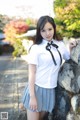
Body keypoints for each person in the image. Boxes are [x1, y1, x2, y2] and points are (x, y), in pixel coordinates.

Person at [20, 15, 77, 120]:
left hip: (50, 90)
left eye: (50, 29)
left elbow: (68, 57)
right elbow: (32, 73)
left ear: (54, 28)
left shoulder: (59, 45)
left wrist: (69, 46)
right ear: (39, 32)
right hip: (36, 89)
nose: (47, 33)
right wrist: (32, 97)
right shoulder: (36, 48)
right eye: (43, 30)